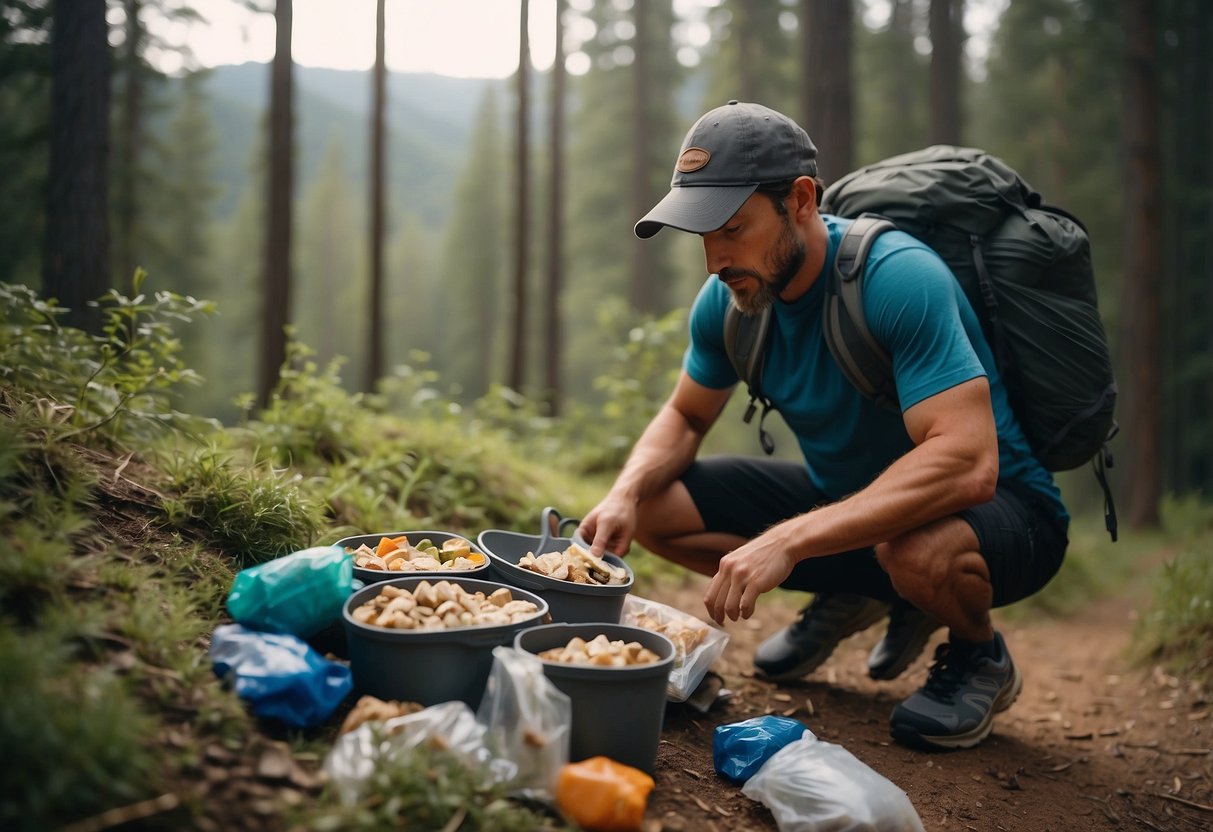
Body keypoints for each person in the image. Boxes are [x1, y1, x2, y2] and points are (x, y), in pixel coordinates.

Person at [576, 101, 1070, 750]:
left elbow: (967, 462)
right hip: (855, 508)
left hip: (1008, 513)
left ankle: (980, 655)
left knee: (914, 550)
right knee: (655, 509)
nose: (713, 260)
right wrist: (622, 493)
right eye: (702, 236)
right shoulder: (729, 302)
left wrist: (789, 540)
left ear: (801, 200)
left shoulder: (895, 277)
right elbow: (686, 415)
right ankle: (859, 588)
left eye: (731, 228)